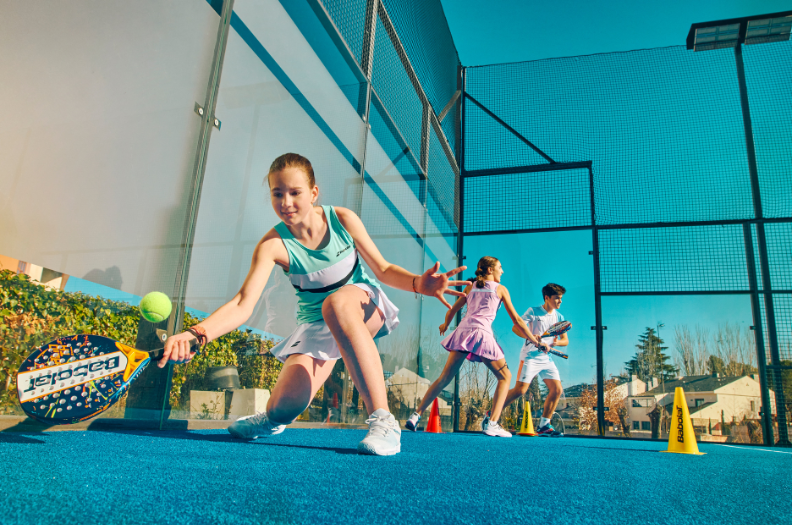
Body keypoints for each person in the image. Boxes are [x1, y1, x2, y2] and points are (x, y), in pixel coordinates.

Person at [159, 153, 466, 456]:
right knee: (281, 407)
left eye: (295, 193)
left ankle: (384, 421)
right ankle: (272, 420)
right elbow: (243, 303)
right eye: (277, 194)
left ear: (314, 193)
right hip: (317, 325)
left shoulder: (342, 219)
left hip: (361, 304)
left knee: (336, 304)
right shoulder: (272, 245)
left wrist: (417, 283)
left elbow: (383, 269)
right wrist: (196, 333)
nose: (286, 202)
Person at [404, 256, 549, 437]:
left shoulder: (470, 287)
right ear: (490, 270)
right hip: (481, 334)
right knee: (505, 376)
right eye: (500, 267)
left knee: (444, 378)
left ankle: (415, 415)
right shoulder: (501, 289)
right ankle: (493, 423)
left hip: (463, 332)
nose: (502, 271)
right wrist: (536, 341)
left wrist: (446, 323)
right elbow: (518, 320)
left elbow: (453, 309)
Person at [497, 283, 568, 436]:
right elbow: (516, 328)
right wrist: (530, 336)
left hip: (547, 358)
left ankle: (544, 425)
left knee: (557, 390)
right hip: (530, 357)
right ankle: (490, 415)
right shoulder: (533, 312)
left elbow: (565, 340)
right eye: (557, 299)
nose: (560, 302)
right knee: (520, 390)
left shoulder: (559, 317)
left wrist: (555, 343)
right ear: (547, 298)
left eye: (561, 299)